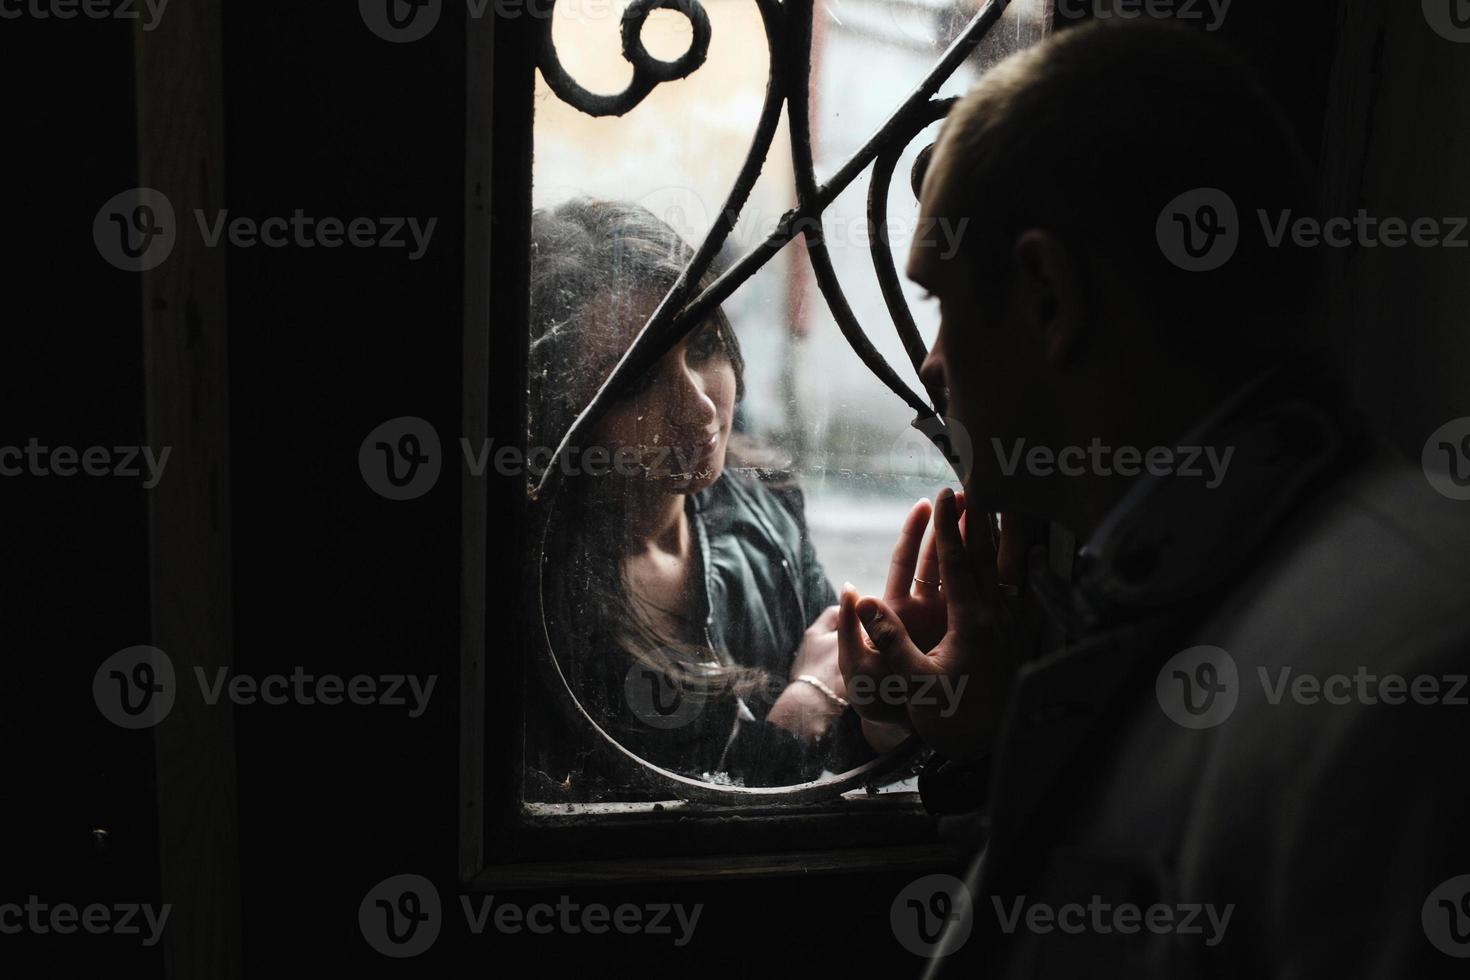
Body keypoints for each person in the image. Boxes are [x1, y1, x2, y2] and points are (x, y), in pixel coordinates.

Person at [836, 20, 1470, 977]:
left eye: (941, 301)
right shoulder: (1253, 588)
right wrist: (986, 744)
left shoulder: (1408, 688)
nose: (930, 365)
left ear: (1049, 296)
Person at [523, 198, 897, 800]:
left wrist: (885, 717)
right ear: (563, 411)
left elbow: (841, 712)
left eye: (701, 347)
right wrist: (798, 717)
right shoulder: (542, 599)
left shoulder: (764, 502)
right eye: (635, 380)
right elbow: (627, 837)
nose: (698, 406)